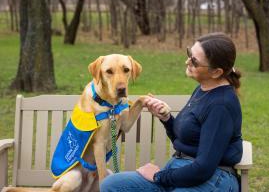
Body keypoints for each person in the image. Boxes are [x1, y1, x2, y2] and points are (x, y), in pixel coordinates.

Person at [100, 32, 243, 192]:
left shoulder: (221, 105)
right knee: (111, 185)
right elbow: (186, 140)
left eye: (194, 61)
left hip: (212, 179)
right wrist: (166, 118)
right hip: (182, 171)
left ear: (216, 72)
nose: (187, 61)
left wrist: (158, 176)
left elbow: (203, 168)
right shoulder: (203, 89)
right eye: (189, 54)